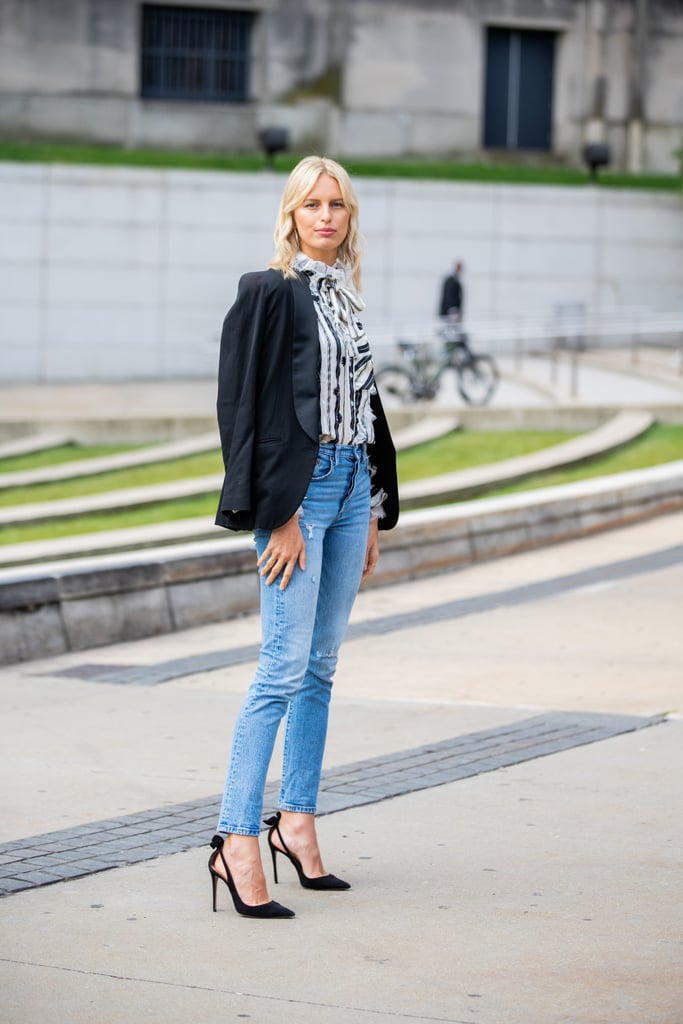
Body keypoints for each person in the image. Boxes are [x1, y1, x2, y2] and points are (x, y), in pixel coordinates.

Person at [208, 156, 399, 919]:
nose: (325, 216)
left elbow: (366, 408)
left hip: (352, 489)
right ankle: (233, 838)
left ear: (350, 218)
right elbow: (241, 409)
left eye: (338, 205)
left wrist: (376, 505)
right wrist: (274, 512)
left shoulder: (346, 298)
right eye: (312, 204)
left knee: (320, 668)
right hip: (300, 494)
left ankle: (297, 822)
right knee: (279, 670)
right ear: (290, 213)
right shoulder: (269, 291)